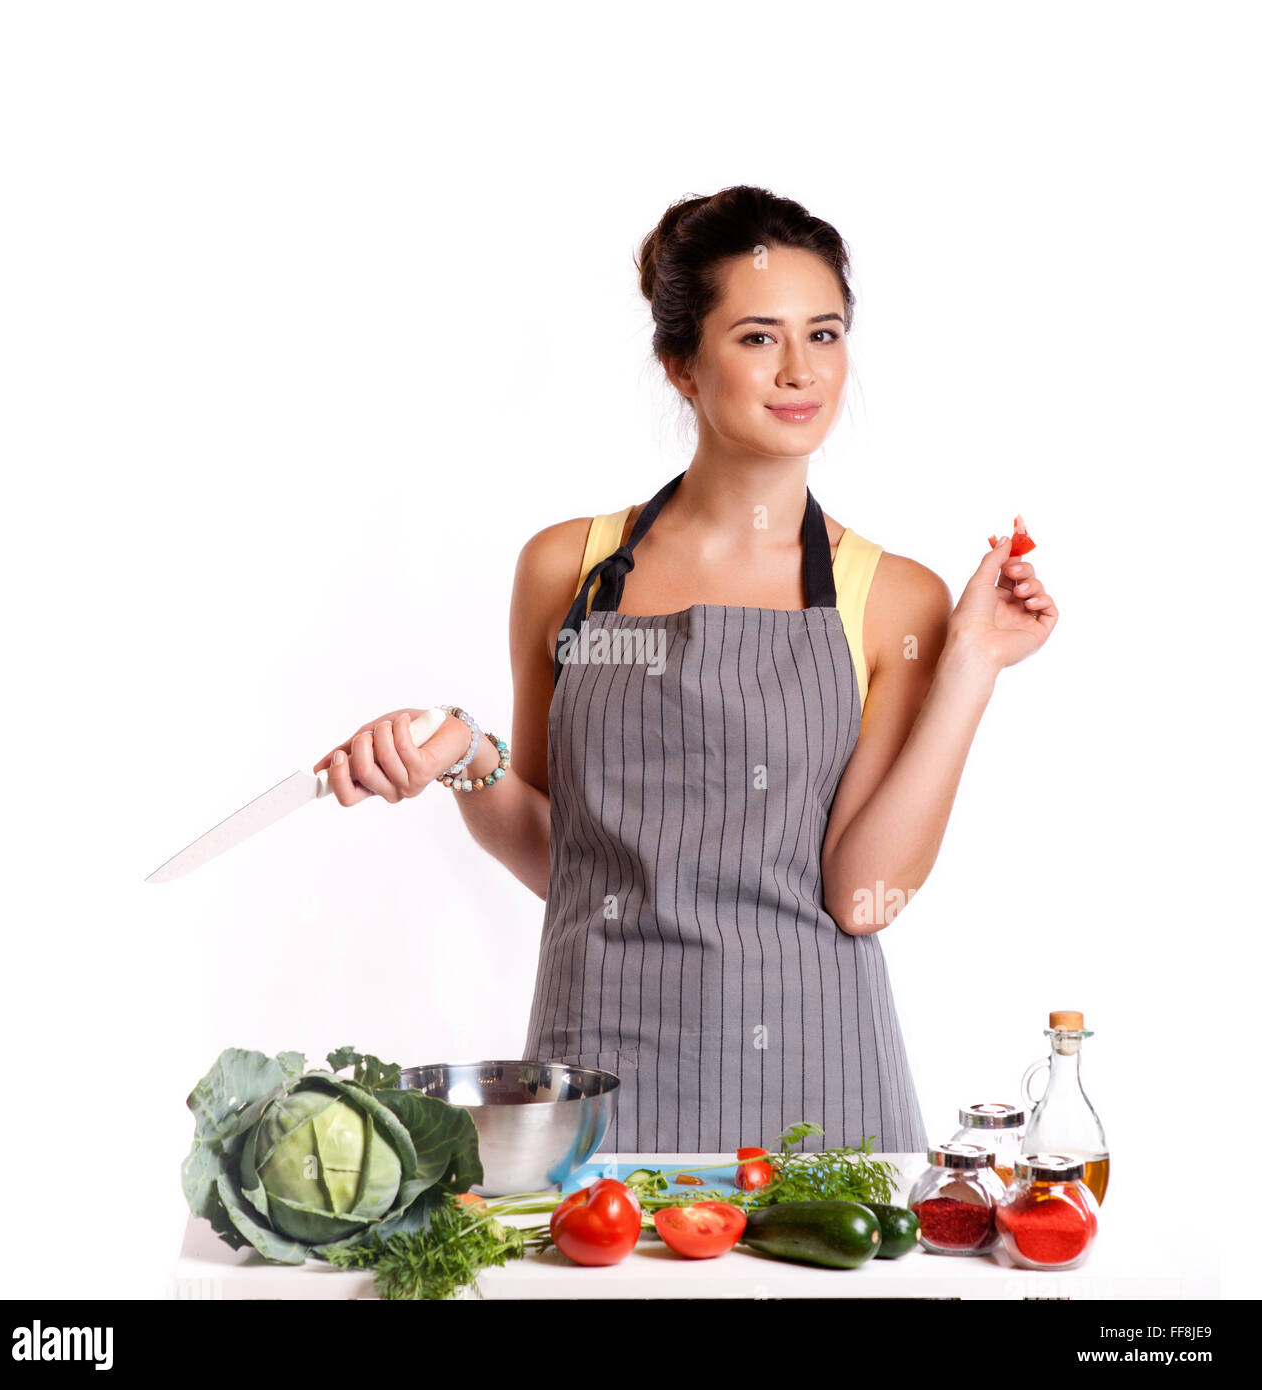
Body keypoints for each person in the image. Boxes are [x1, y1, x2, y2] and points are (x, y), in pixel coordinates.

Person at [314, 185, 1057, 1155]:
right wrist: (463, 752)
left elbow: (860, 892)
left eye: (823, 334)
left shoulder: (894, 599)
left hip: (814, 1084)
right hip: (599, 1067)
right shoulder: (565, 571)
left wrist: (970, 664)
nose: (800, 371)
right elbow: (565, 857)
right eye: (757, 337)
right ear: (680, 364)